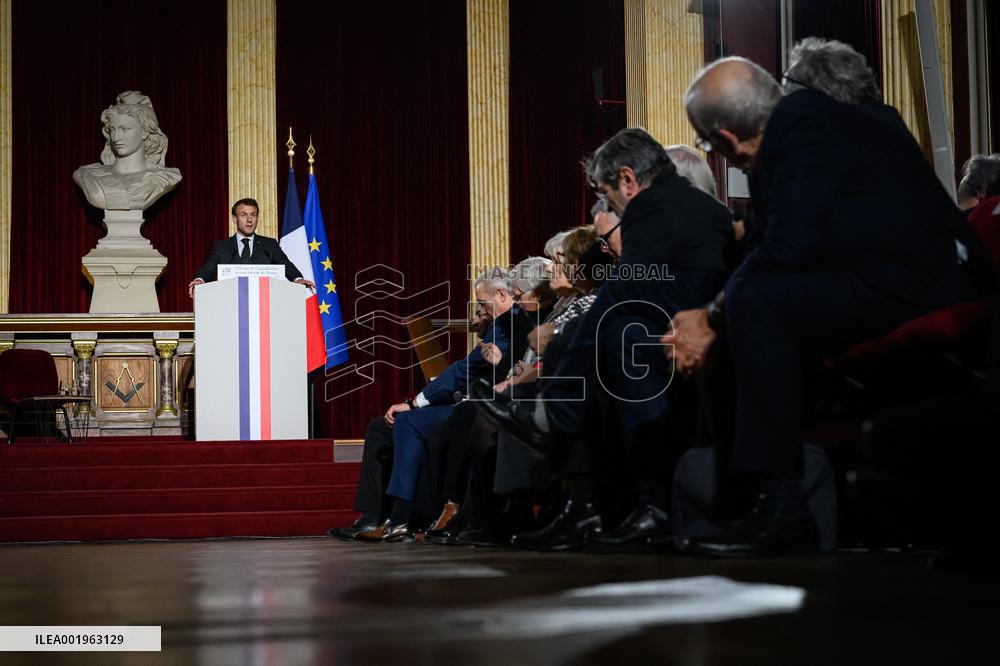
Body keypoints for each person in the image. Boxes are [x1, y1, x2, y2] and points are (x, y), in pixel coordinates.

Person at [667, 52, 991, 557]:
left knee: (750, 301)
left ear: (726, 139)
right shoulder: (797, 130)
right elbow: (770, 247)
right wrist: (711, 317)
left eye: (710, 145)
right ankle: (740, 505)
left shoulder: (804, 125)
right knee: (739, 306)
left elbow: (788, 247)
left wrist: (711, 316)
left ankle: (784, 507)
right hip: (879, 277)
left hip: (922, 285)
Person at [73, 90, 182, 211]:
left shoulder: (163, 178)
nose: (115, 138)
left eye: (124, 129)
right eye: (112, 130)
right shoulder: (88, 174)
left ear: (144, 132)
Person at [188, 198, 315, 296]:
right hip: (230, 304)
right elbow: (209, 266)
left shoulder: (269, 244)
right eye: (243, 215)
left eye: (253, 215)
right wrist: (199, 279)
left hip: (264, 304)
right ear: (234, 219)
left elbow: (285, 263)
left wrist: (297, 279)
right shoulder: (222, 246)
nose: (249, 220)